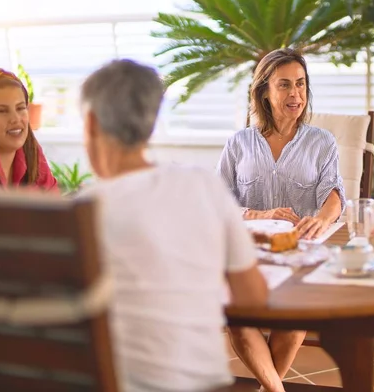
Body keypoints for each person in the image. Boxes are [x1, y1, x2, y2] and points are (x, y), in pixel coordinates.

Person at [77, 59, 268, 392]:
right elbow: (252, 297)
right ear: (149, 124)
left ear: (91, 123)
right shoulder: (203, 186)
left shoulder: (84, 209)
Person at [217, 48, 345, 392]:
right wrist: (259, 214)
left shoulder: (322, 142)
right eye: (285, 85)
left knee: (294, 319)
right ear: (264, 92)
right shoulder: (238, 143)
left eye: (301, 84)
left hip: (297, 254)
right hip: (250, 255)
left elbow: (334, 192)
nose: (295, 94)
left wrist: (321, 218)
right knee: (239, 321)